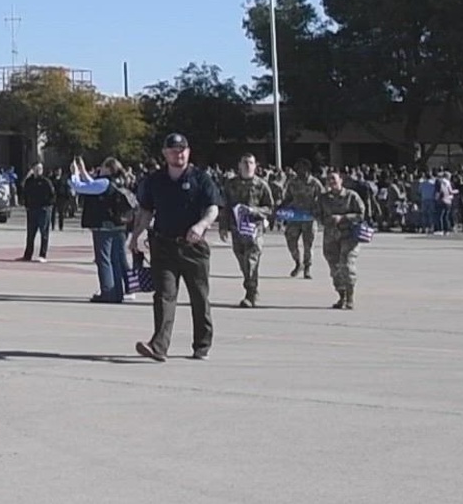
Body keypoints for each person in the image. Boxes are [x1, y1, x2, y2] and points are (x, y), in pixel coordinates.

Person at [131, 133, 223, 362]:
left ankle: (202, 345)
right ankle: (158, 346)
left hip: (194, 248)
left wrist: (201, 226)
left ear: (188, 152)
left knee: (199, 297)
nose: (178, 154)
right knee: (164, 296)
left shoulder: (201, 179)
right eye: (173, 150)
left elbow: (213, 208)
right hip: (163, 245)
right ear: (165, 154)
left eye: (182, 149)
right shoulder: (155, 181)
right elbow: (145, 211)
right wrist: (134, 237)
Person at [71, 155, 132, 303]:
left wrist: (74, 174)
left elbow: (80, 187)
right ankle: (117, 292)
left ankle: (108, 292)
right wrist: (83, 170)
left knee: (103, 259)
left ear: (109, 169)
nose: (100, 168)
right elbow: (93, 184)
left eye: (103, 166)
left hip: (104, 226)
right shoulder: (120, 182)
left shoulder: (104, 182)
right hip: (119, 225)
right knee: (116, 260)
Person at [224, 154, 276, 308]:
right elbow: (226, 206)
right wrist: (223, 226)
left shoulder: (261, 185)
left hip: (254, 231)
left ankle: (250, 294)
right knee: (243, 262)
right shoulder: (230, 184)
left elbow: (270, 208)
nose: (248, 165)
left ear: (255, 166)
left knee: (251, 261)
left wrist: (254, 211)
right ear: (239, 165)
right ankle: (251, 286)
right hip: (236, 230)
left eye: (251, 163)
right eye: (245, 162)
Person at [317, 170, 368, 310]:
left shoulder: (351, 196)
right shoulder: (323, 199)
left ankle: (350, 297)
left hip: (348, 236)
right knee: (335, 268)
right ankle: (341, 295)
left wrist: (343, 218)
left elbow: (361, 214)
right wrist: (326, 220)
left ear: (341, 180)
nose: (331, 182)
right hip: (330, 237)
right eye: (329, 179)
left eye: (334, 179)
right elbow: (317, 214)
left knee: (346, 265)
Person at [283, 161, 325, 279]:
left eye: (303, 168)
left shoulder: (315, 183)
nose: (300, 171)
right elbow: (288, 198)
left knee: (308, 245)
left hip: (309, 218)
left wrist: (320, 213)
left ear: (308, 169)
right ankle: (298, 262)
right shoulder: (293, 183)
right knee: (290, 240)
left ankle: (307, 268)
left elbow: (323, 198)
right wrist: (281, 209)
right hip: (295, 217)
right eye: (298, 169)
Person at [18, 163, 54, 261]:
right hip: (32, 210)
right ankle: (27, 255)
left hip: (43, 210)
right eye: (36, 169)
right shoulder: (29, 182)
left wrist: (47, 206)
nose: (38, 170)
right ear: (33, 169)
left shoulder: (46, 181)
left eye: (40, 169)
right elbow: (23, 191)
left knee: (44, 233)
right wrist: (26, 205)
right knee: (30, 234)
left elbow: (52, 195)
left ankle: (42, 255)